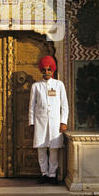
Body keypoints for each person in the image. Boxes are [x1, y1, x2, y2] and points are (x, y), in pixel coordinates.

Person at [29, 55, 69, 184]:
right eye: (44, 70)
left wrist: (63, 122)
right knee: (41, 149)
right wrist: (32, 122)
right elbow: (32, 106)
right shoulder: (36, 86)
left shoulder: (59, 85)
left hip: (55, 123)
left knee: (53, 149)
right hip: (40, 122)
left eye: (49, 70)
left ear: (53, 70)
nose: (46, 72)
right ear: (41, 70)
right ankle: (44, 173)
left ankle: (52, 175)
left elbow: (64, 105)